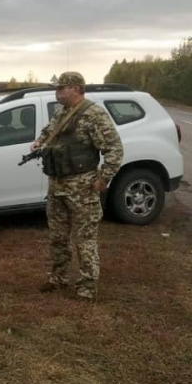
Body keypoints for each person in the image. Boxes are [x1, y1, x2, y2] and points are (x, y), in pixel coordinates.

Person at [31, 71, 124, 300]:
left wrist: (104, 178)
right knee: (58, 236)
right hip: (57, 185)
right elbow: (48, 132)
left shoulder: (94, 114)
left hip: (82, 187)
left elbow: (114, 148)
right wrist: (39, 143)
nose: (57, 92)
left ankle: (87, 286)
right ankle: (59, 277)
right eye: (57, 88)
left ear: (76, 89)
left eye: (62, 88)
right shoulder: (62, 112)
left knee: (84, 238)